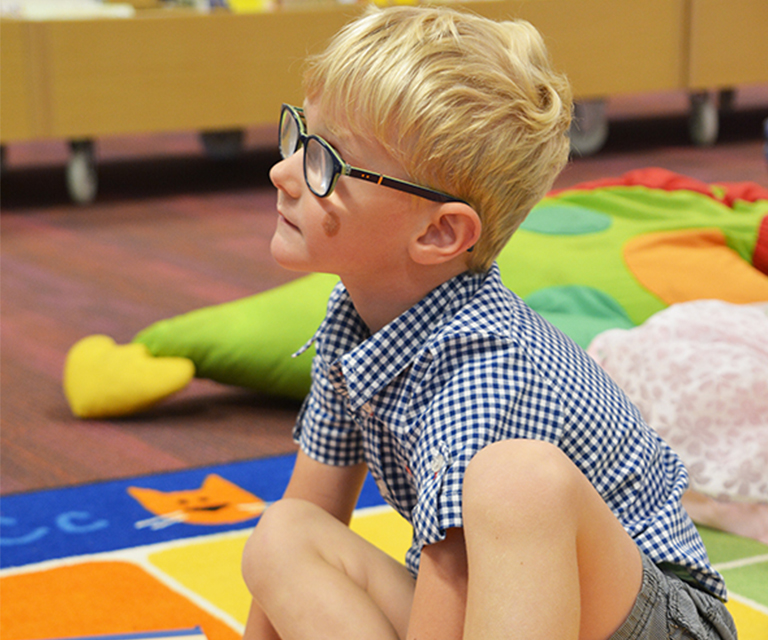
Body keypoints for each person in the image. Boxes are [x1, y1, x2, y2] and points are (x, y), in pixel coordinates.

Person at [241, 6, 736, 639]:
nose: (283, 173)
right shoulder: (354, 319)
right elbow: (312, 516)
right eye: (299, 138)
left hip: (656, 623)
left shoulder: (483, 362)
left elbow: (455, 578)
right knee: (285, 533)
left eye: (326, 163)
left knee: (513, 480)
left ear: (441, 231)